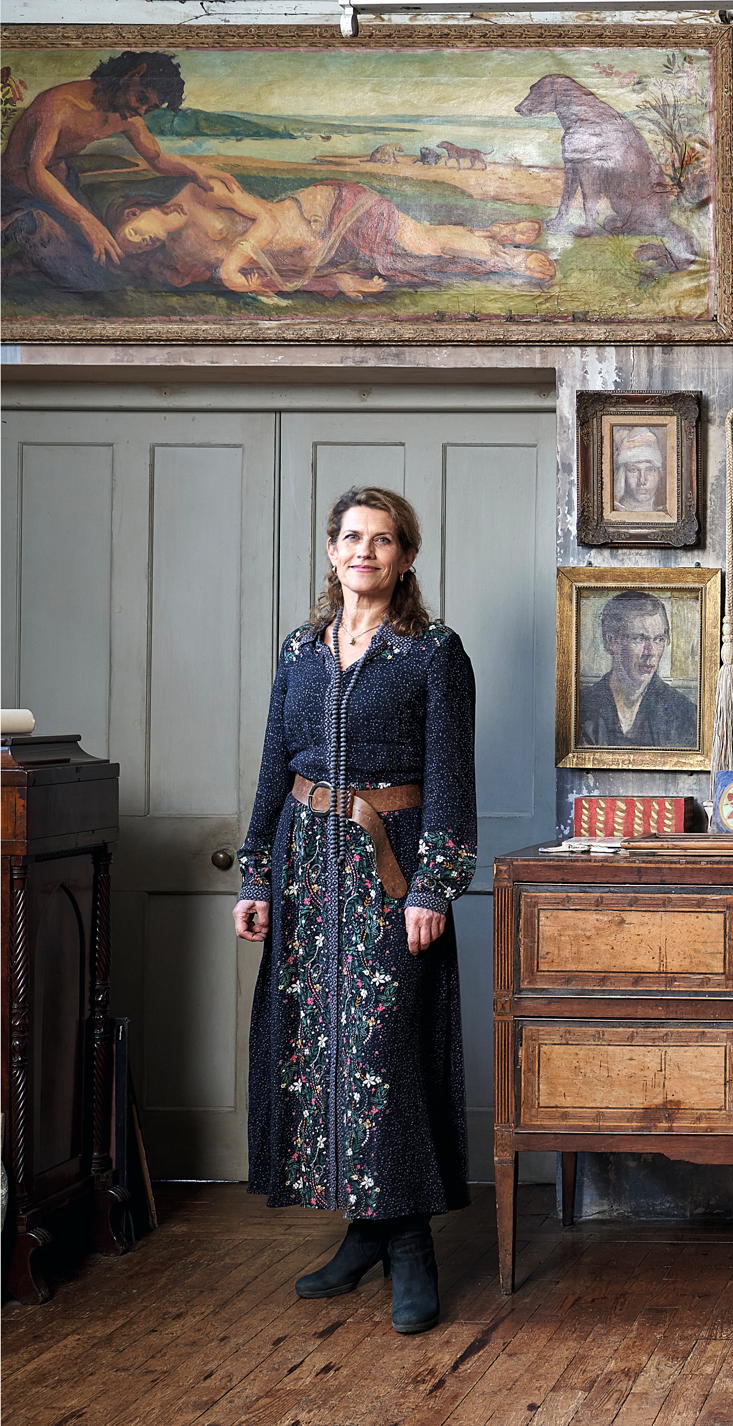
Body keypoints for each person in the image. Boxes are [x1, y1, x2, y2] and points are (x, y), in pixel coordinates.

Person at [233, 486, 476, 1335]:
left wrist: (434, 888)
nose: (363, 551)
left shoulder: (434, 653)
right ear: (331, 551)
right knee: (321, 1053)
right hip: (305, 874)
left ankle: (409, 1242)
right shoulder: (300, 650)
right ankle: (363, 1234)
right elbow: (273, 766)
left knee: (386, 1049)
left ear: (406, 557)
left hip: (391, 874)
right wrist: (255, 877)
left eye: (382, 540)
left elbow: (451, 780)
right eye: (350, 537)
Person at [1, 50, 238, 292]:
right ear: (131, 76)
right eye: (142, 98)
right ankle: (24, 224)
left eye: (151, 107)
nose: (142, 110)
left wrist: (194, 169)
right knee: (91, 278)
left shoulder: (126, 115)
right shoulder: (60, 105)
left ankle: (26, 254)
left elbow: (155, 157)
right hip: (17, 187)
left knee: (104, 258)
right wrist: (86, 220)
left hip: (60, 183)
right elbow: (36, 171)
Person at [109, 176, 550, 300]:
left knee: (421, 244)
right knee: (412, 255)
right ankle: (492, 234)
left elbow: (265, 220)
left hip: (325, 209)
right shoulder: (181, 253)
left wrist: (231, 263)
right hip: (323, 254)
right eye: (139, 246)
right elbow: (267, 280)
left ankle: (506, 258)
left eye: (133, 232)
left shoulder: (199, 191)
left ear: (135, 211)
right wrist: (336, 283)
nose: (144, 240)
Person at [576, 590, 697, 750]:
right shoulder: (582, 707)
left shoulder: (683, 712)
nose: (651, 652)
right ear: (611, 641)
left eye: (659, 639)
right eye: (639, 639)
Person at [610, 426, 667, 514]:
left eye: (650, 470)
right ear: (622, 474)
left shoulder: (666, 513)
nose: (642, 481)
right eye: (633, 470)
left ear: (660, 474)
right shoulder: (613, 512)